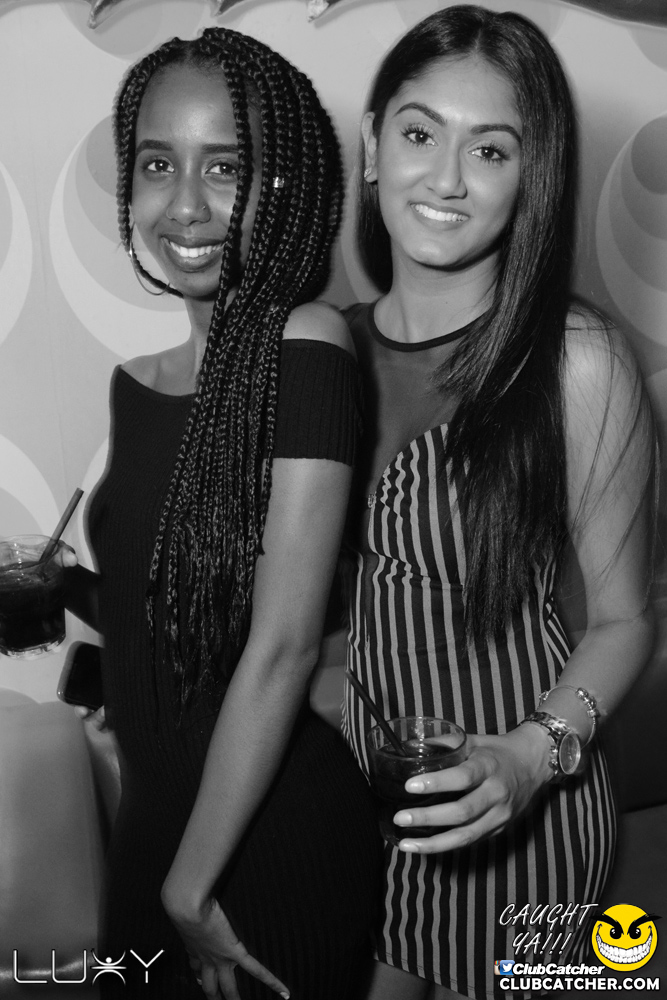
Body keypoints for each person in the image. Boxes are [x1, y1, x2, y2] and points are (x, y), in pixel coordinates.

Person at [341, 7, 656, 1000]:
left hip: (532, 819)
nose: (444, 178)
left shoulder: (575, 361)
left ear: (531, 177)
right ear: (371, 147)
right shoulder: (319, 352)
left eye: (489, 149)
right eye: (418, 133)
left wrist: (530, 756)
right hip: (371, 809)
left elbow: (623, 621)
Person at [65, 27, 380, 1000]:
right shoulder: (137, 382)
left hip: (261, 855)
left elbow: (281, 645)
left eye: (225, 166)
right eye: (158, 163)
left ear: (279, 184)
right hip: (155, 836)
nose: (186, 205)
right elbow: (168, 598)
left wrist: (191, 888)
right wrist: (65, 598)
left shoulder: (308, 348)